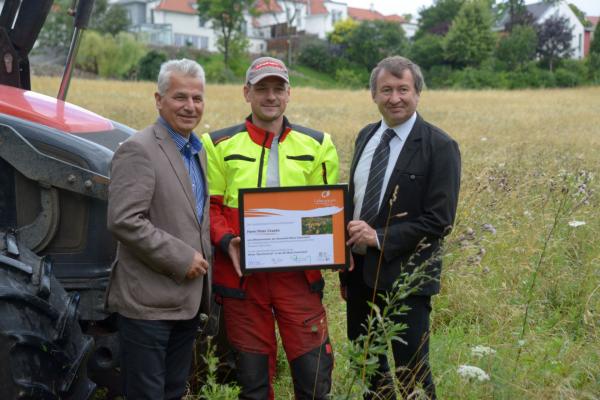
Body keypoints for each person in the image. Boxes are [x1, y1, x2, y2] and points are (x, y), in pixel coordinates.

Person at [201, 56, 339, 400]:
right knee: (253, 382)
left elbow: (326, 212)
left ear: (289, 93)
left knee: (315, 378)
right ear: (247, 92)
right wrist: (227, 240)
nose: (271, 96)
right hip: (242, 279)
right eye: (262, 88)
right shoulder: (217, 144)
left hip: (298, 279)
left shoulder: (319, 144)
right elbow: (209, 209)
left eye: (278, 88)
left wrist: (329, 242)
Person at [342, 56, 461, 399]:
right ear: (374, 95)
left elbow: (440, 221)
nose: (395, 98)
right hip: (359, 275)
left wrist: (378, 237)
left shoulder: (440, 146)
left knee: (413, 374)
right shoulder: (366, 136)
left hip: (407, 279)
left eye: (403, 89)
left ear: (418, 93)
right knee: (367, 368)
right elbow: (357, 199)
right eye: (386, 90)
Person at [106, 58, 212, 399]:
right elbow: (124, 219)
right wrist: (181, 258)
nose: (190, 106)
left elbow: (191, 218)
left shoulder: (197, 151)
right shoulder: (139, 149)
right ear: (158, 99)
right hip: (148, 303)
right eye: (180, 97)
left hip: (187, 301)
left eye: (197, 98)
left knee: (172, 391)